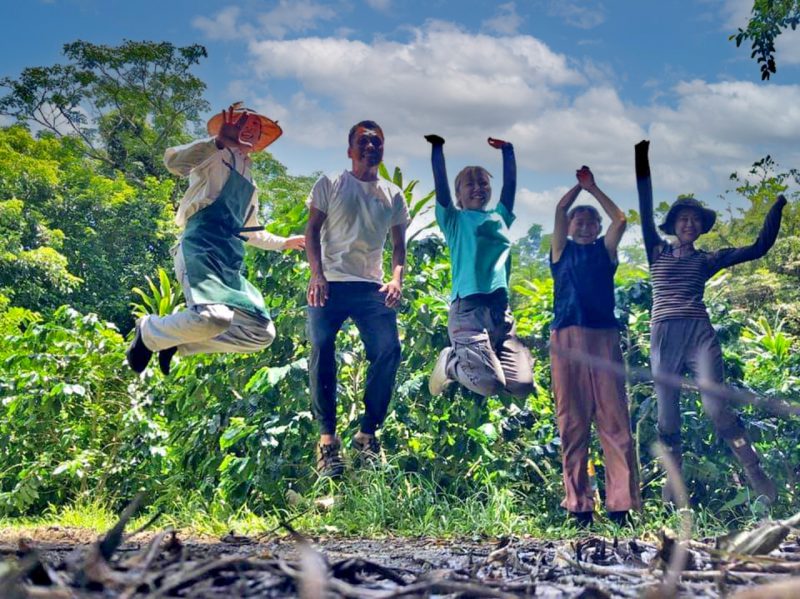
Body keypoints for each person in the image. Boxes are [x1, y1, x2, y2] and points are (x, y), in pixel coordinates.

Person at [635, 139, 786, 504]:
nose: (689, 223)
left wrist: (777, 206)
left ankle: (755, 473)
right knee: (668, 419)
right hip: (664, 336)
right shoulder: (656, 250)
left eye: (695, 220)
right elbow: (642, 203)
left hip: (698, 334)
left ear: (702, 228)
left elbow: (758, 248)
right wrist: (641, 157)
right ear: (673, 224)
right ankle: (673, 489)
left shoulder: (707, 259)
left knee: (715, 408)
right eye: (683, 218)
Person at [126, 103, 305, 376]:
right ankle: (150, 330)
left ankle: (174, 342)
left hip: (229, 260)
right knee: (215, 318)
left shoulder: (251, 183)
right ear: (232, 126)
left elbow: (251, 232)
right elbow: (174, 163)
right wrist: (218, 142)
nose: (251, 130)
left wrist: (284, 242)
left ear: (259, 140)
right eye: (246, 124)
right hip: (200, 248)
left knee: (262, 332)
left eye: (257, 128)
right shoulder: (213, 153)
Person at [305, 120, 409, 478]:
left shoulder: (393, 194)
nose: (371, 147)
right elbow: (312, 231)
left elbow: (398, 248)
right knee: (320, 346)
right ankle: (328, 442)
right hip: (330, 282)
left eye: (377, 142)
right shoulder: (331, 184)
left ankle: (366, 437)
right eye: (363, 142)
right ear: (350, 150)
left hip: (371, 286)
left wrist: (396, 280)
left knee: (388, 350)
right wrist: (316, 274)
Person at [549, 166, 640, 527]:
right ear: (570, 228)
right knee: (572, 422)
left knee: (614, 420)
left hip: (603, 338)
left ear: (598, 229)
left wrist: (594, 189)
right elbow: (558, 211)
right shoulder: (560, 251)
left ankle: (620, 506)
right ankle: (579, 506)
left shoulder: (606, 251)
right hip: (567, 338)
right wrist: (577, 188)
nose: (585, 224)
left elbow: (620, 218)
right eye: (579, 220)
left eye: (591, 221)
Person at [426, 134, 534, 401]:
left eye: (483, 183)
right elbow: (440, 186)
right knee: (489, 385)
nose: (477, 188)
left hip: (500, 312)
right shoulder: (453, 220)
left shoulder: (500, 216)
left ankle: (492, 355)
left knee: (521, 385)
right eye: (469, 184)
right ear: (459, 195)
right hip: (468, 311)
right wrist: (438, 148)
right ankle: (450, 362)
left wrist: (508, 151)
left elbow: (509, 187)